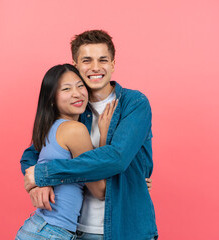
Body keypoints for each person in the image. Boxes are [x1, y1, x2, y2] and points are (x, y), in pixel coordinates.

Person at [21, 30, 158, 240]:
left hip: (127, 229)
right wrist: (37, 184)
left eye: (103, 60)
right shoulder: (73, 109)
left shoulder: (134, 103)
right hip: (78, 231)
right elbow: (32, 154)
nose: (95, 67)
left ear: (112, 64)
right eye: (87, 60)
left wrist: (45, 173)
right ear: (76, 66)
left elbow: (117, 158)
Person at [15, 64, 117, 240]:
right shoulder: (74, 130)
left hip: (38, 229)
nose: (77, 94)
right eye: (66, 89)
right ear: (52, 99)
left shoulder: (50, 127)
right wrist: (103, 136)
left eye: (80, 86)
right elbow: (99, 190)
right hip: (50, 233)